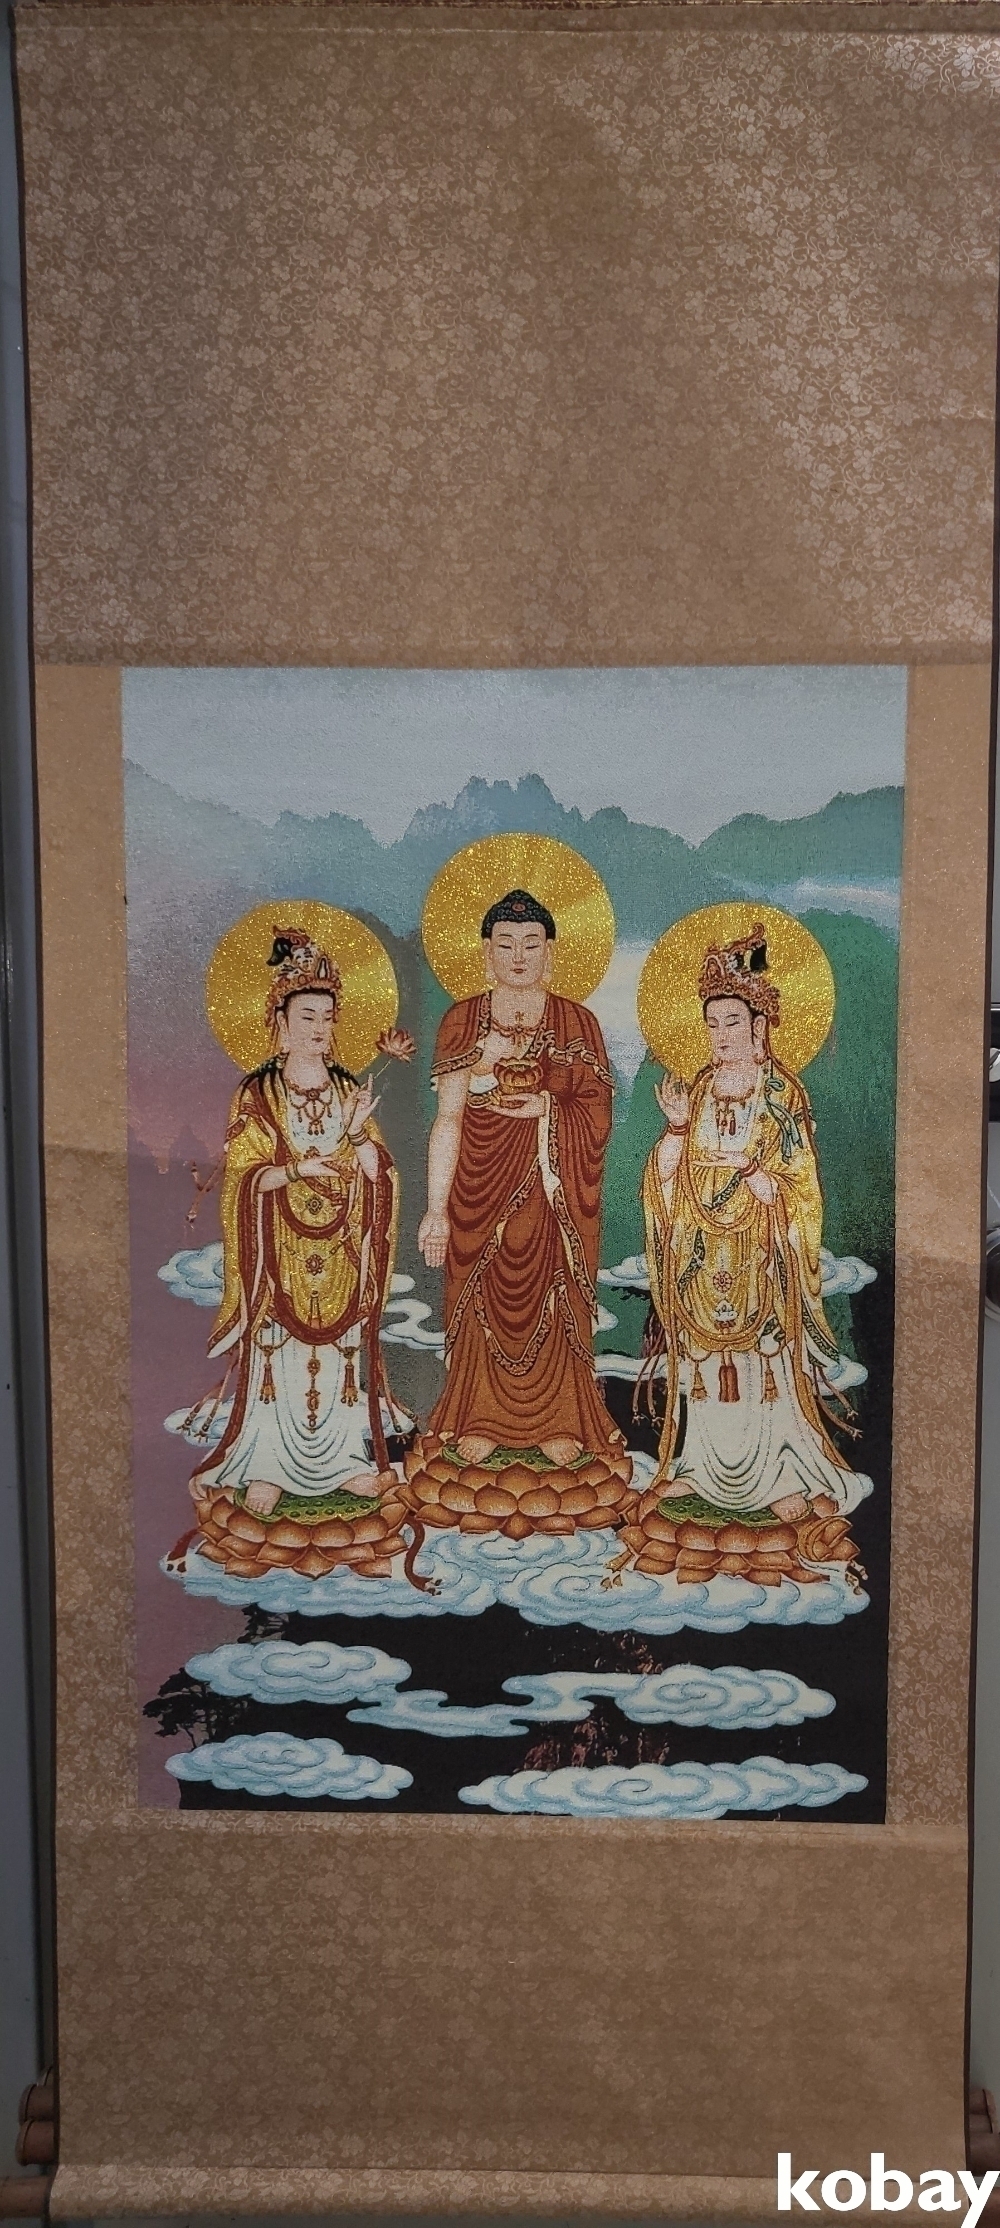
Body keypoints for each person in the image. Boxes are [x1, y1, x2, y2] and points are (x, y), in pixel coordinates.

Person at [641, 923, 870, 1522]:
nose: (721, 1036)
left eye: (733, 1023)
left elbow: (800, 1181)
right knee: (703, 1366)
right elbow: (668, 1176)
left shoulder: (781, 1093)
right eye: (712, 1024)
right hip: (700, 1252)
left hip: (759, 1253)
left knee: (763, 1364)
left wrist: (760, 1179)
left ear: (759, 1026)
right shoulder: (698, 1089)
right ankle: (699, 1469)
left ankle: (781, 1474)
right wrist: (676, 1129)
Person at [416, 888, 627, 1474]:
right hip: (478, 1187)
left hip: (552, 1189)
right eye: (505, 944)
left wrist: (548, 1109)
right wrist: (435, 1209)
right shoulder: (463, 1021)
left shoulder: (576, 1022)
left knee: (553, 1292)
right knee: (481, 1294)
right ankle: (479, 1420)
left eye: (531, 944)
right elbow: (448, 1118)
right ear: (486, 952)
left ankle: (558, 1421)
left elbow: (599, 1113)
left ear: (550, 953)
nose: (518, 956)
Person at [193, 927, 399, 1517]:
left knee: (341, 1357)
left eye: (328, 1018)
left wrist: (356, 1135)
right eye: (307, 1016)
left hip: (341, 1247)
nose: (319, 1028)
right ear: (280, 1022)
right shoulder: (258, 1095)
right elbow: (242, 1176)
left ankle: (345, 1463)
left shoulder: (349, 1089)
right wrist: (295, 1170)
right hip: (278, 1246)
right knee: (276, 1357)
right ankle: (268, 1467)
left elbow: (379, 1172)